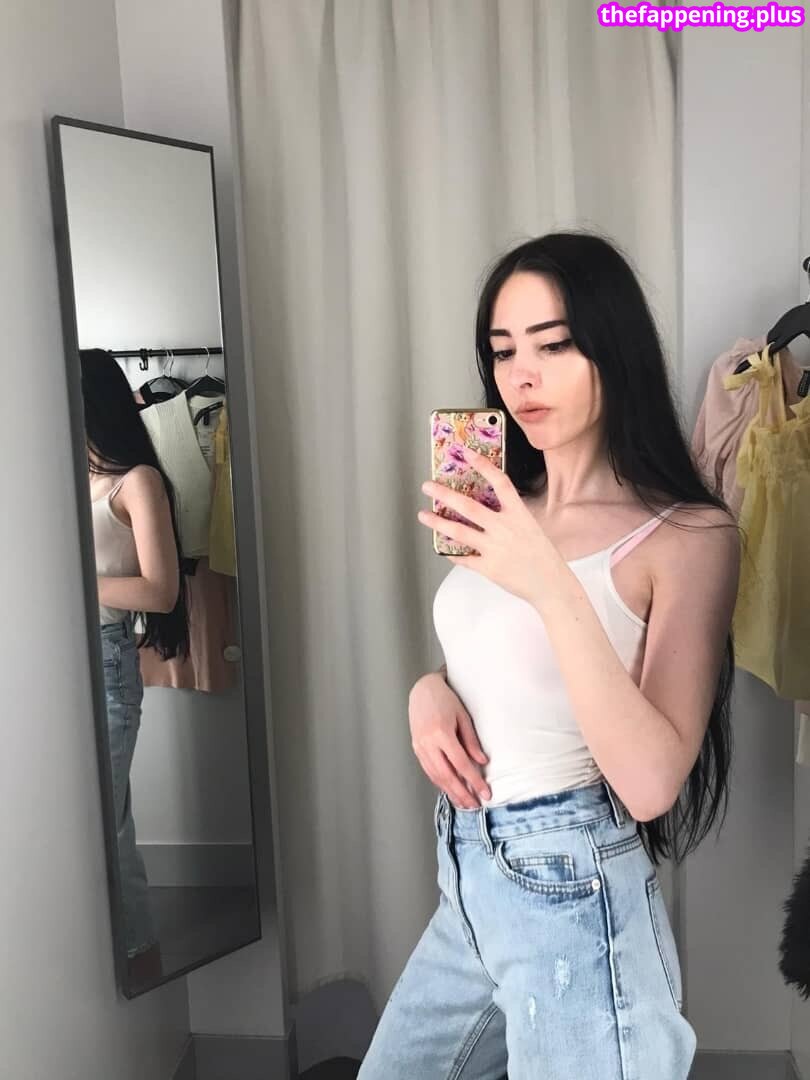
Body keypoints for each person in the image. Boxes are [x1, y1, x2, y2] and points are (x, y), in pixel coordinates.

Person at [357, 232, 741, 1080]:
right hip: (469, 878)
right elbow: (503, 665)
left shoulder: (687, 535)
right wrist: (429, 689)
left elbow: (650, 783)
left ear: (613, 347)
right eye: (503, 351)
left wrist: (549, 583)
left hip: (573, 888)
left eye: (554, 345)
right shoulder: (499, 506)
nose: (521, 377)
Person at [81, 348, 190, 983]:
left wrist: (76, 582)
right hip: (59, 663)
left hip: (106, 658)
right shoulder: (67, 478)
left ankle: (139, 971)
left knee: (105, 824)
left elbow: (162, 590)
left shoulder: (136, 481)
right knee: (93, 822)